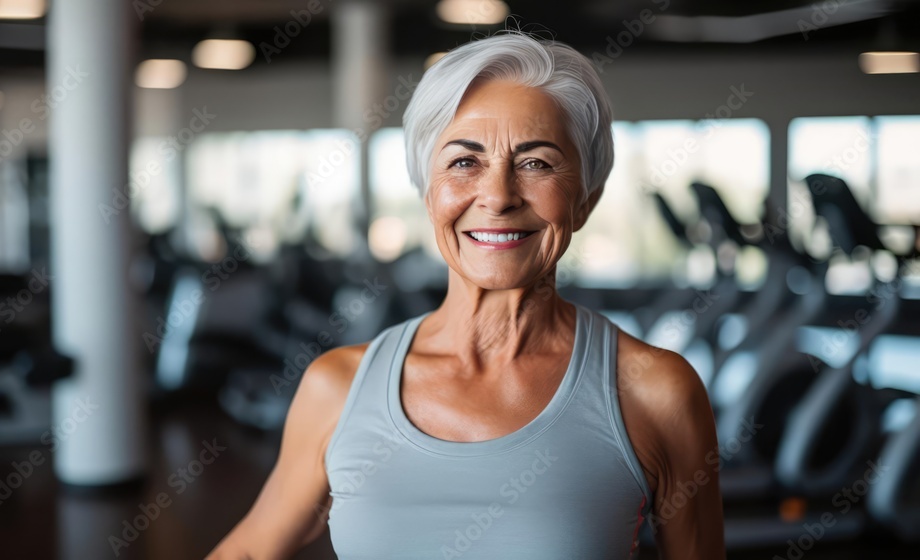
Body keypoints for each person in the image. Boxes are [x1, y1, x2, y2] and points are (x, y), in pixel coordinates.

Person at [207, 31, 725, 560]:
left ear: (585, 200)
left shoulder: (656, 393)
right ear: (428, 193)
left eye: (536, 163)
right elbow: (247, 551)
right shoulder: (336, 388)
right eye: (463, 162)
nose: (497, 197)